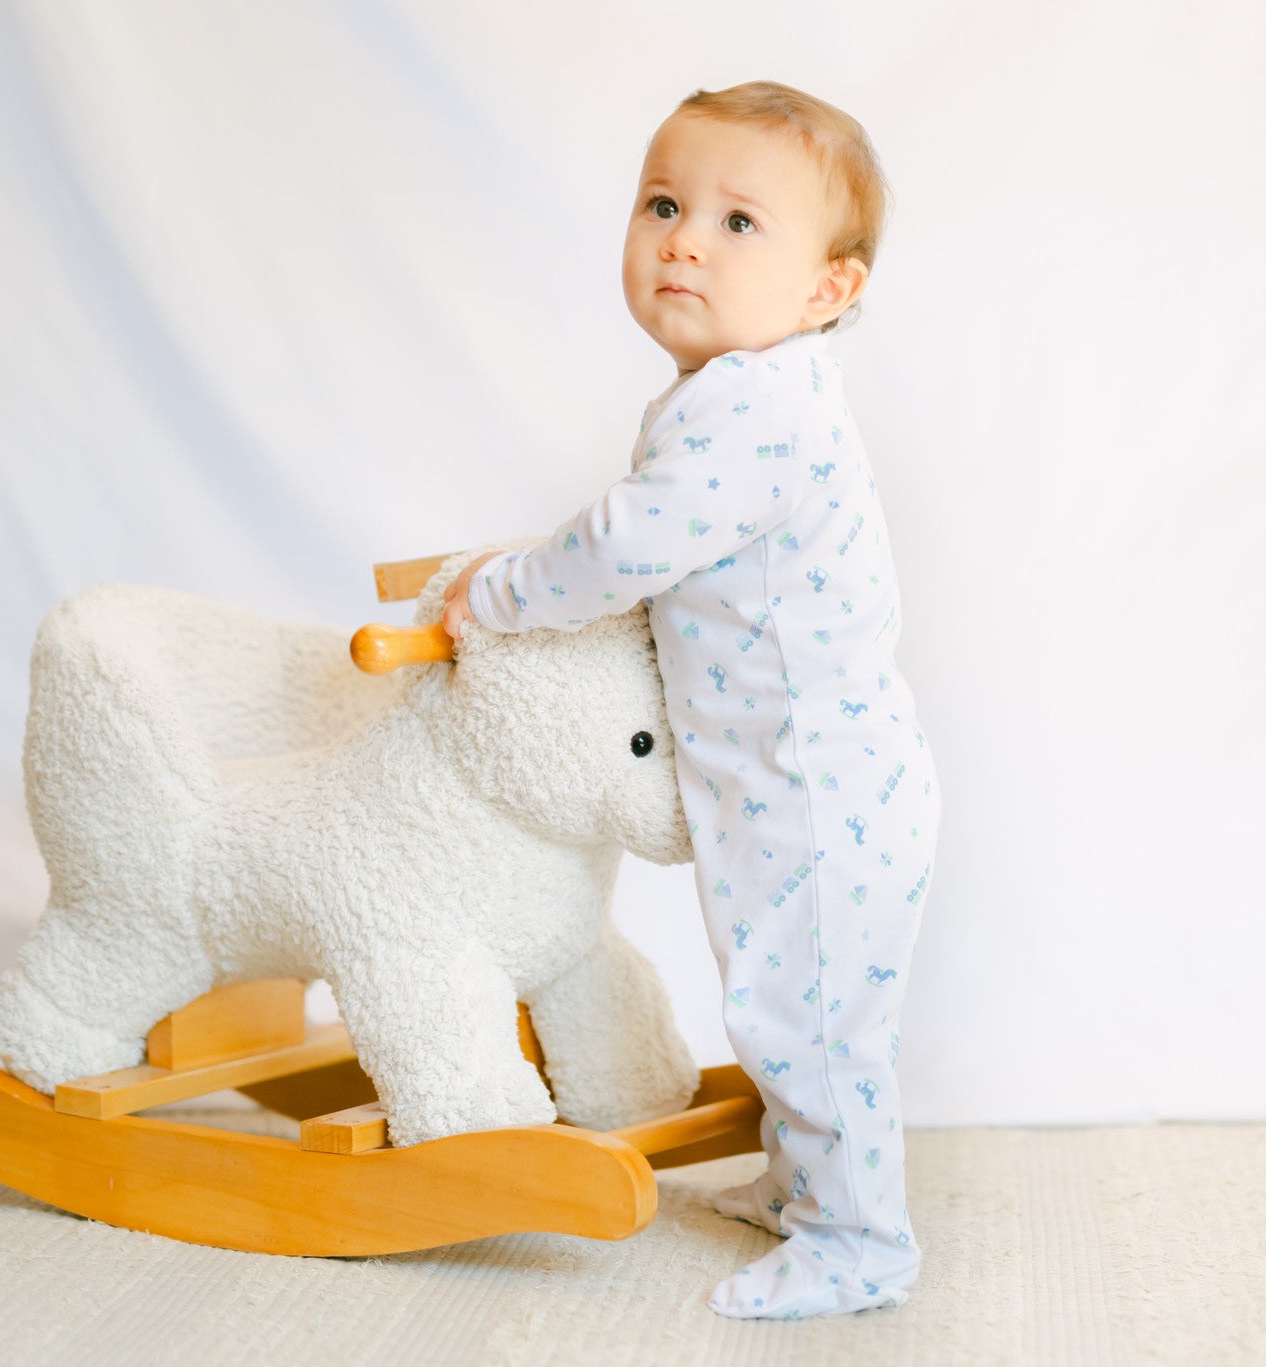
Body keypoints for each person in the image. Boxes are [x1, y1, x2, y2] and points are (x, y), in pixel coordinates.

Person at [439, 80, 939, 1320]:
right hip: (792, 778)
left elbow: (623, 546)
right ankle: (805, 1187)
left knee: (809, 1018)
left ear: (827, 286)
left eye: (737, 222)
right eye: (663, 205)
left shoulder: (756, 410)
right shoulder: (743, 394)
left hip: (815, 788)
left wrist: (497, 594)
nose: (683, 242)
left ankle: (859, 1244)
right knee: (785, 1003)